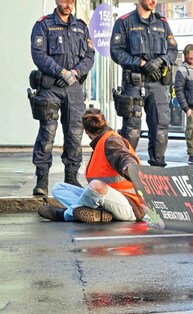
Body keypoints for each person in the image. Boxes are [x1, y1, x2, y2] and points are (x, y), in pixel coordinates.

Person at [29, 0, 95, 196]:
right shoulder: (43, 24)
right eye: (65, 1)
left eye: (72, 1)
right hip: (50, 88)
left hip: (73, 87)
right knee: (47, 133)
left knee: (75, 134)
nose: (68, 5)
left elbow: (90, 55)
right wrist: (60, 72)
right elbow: (38, 54)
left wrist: (75, 72)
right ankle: (42, 180)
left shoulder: (81, 27)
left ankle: (72, 178)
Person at [37, 109, 145, 224]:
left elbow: (123, 156)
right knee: (59, 188)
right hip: (108, 201)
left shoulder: (112, 140)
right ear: (106, 122)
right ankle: (97, 213)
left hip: (131, 207)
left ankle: (66, 214)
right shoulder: (101, 143)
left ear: (86, 132)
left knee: (95, 186)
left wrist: (128, 167)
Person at [110, 0, 178, 167]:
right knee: (132, 129)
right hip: (134, 83)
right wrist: (140, 63)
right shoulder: (124, 22)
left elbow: (173, 50)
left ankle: (158, 170)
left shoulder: (162, 23)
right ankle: (126, 170)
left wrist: (160, 61)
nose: (153, 1)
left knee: (160, 128)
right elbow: (116, 51)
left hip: (158, 83)